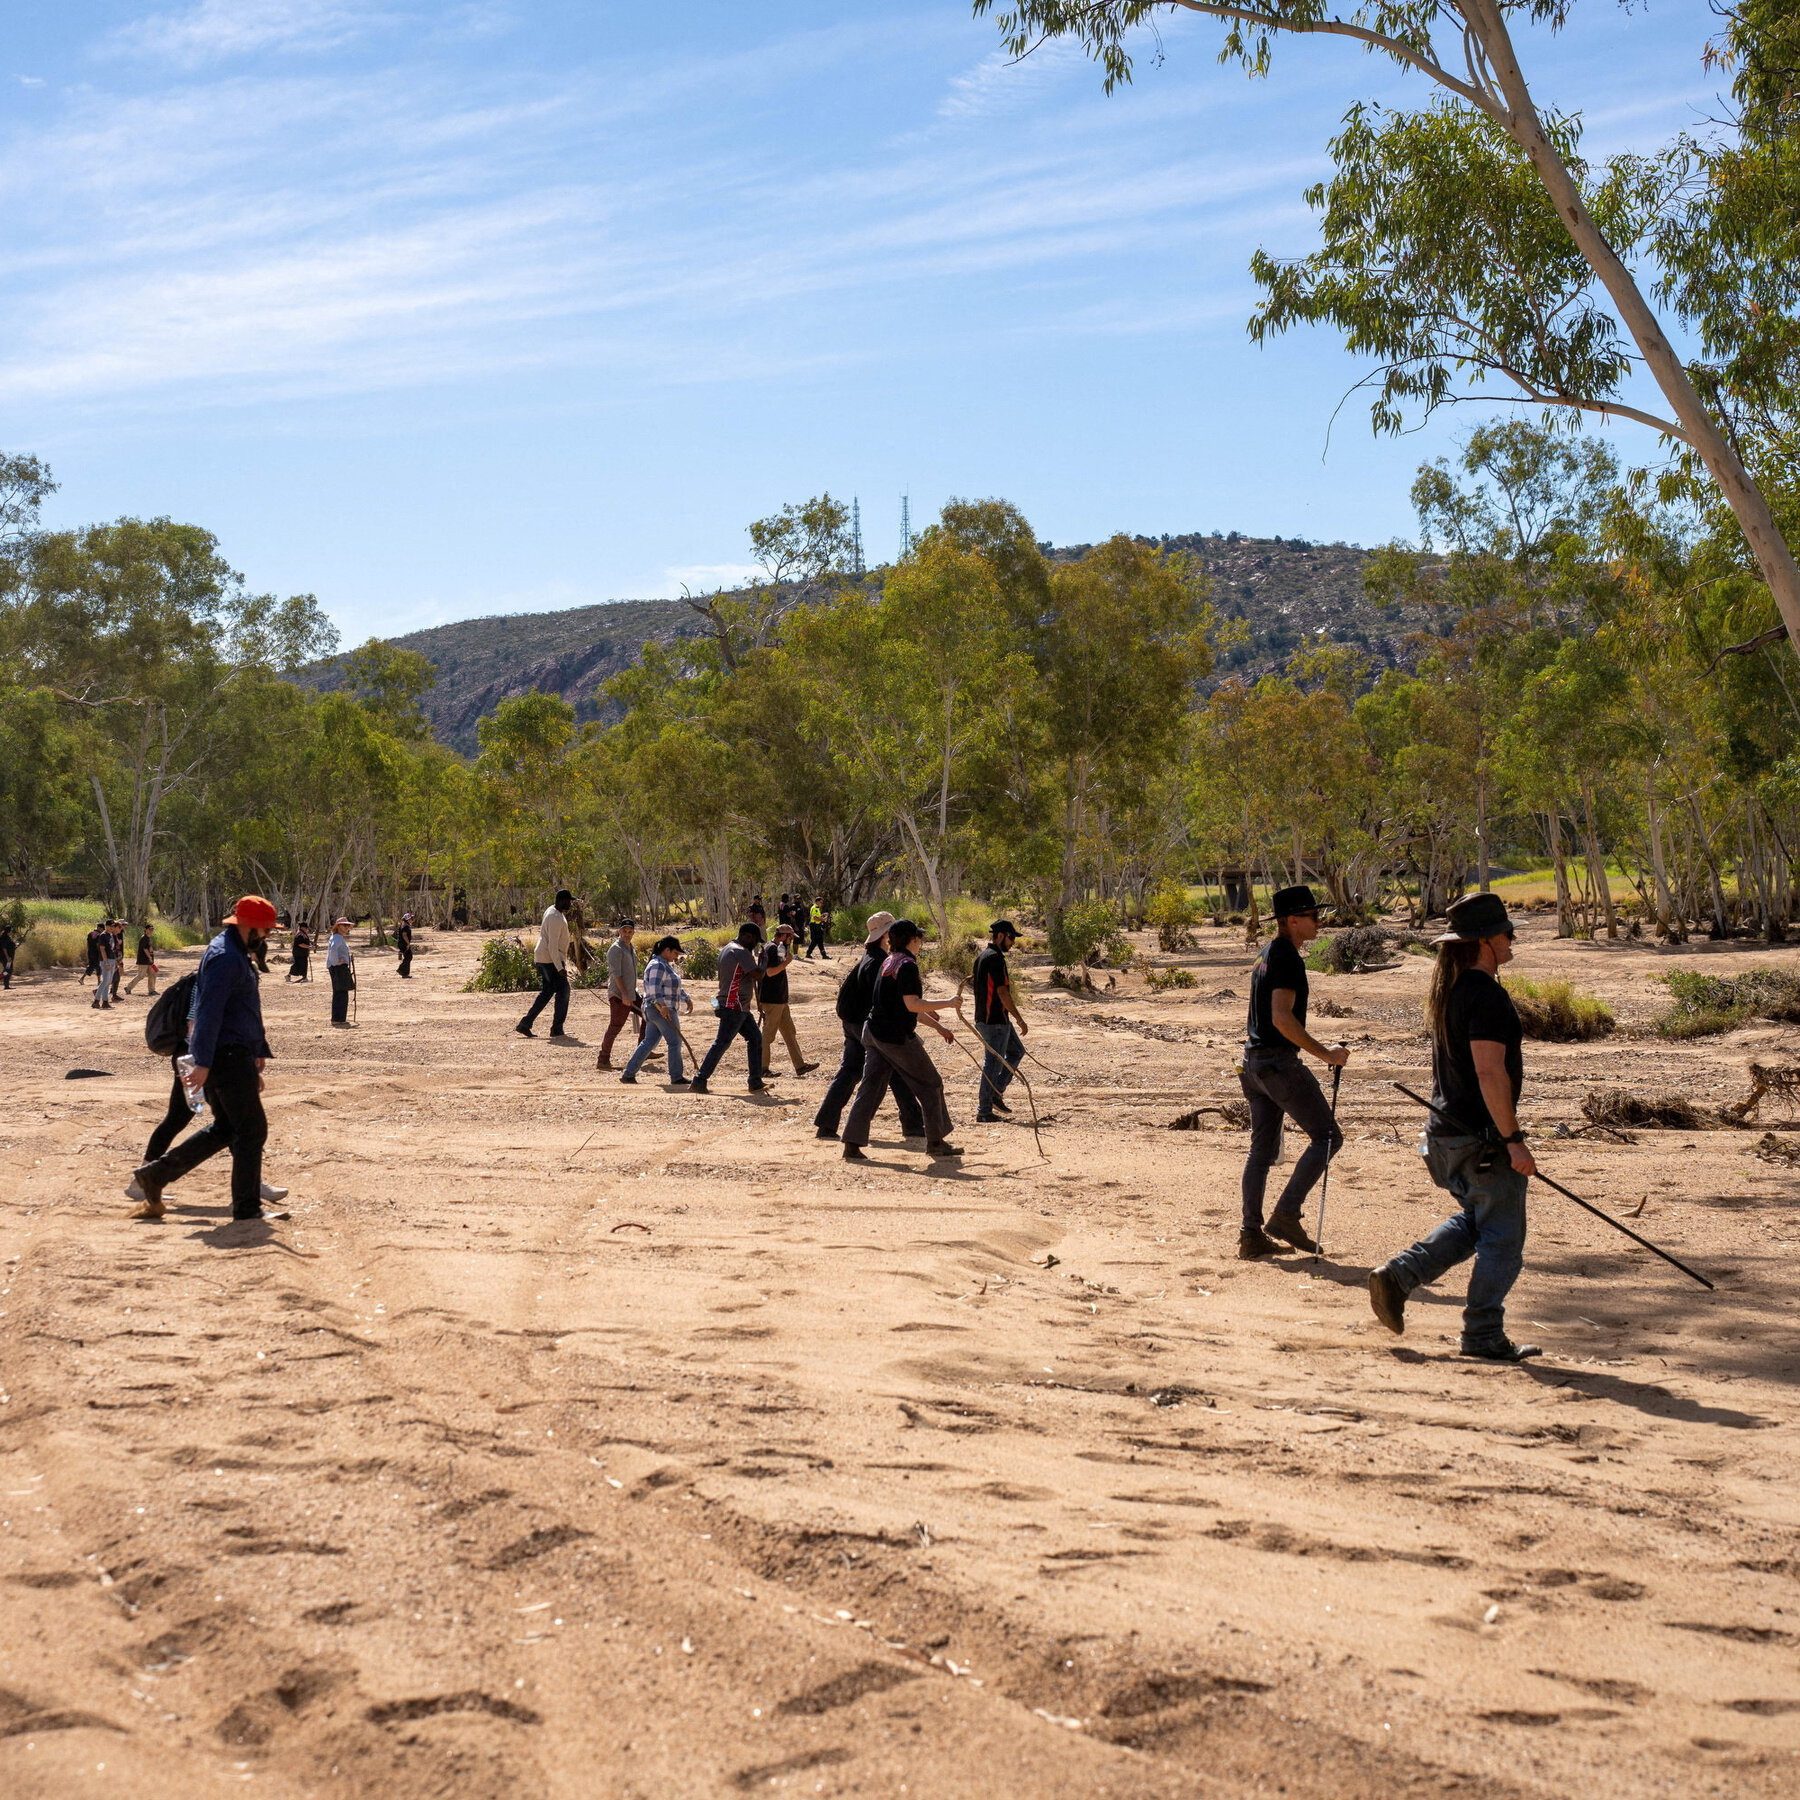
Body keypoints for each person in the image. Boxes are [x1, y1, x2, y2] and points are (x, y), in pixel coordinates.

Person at [1368, 892, 1541, 1364]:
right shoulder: (1485, 994)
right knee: (1503, 1240)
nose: (1512, 940)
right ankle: (1482, 1334)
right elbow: (1489, 1073)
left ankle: (1399, 1276)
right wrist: (1513, 1140)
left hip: (1446, 1135)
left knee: (1479, 1221)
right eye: (1507, 933)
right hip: (1480, 1140)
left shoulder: (1453, 991)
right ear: (1485, 941)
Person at [128, 895, 284, 1226]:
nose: (268, 936)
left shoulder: (234, 952)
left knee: (227, 1129)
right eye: (265, 930)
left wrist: (258, 1050)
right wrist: (201, 1062)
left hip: (232, 1054)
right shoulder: (225, 957)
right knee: (251, 1130)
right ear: (248, 926)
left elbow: (243, 1011)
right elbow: (208, 1013)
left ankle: (155, 1175)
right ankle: (247, 1208)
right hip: (225, 1057)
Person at [1235, 884, 1347, 1260]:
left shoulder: (1267, 953)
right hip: (1278, 1063)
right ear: (1292, 920)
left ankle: (1250, 1234)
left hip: (1253, 1063)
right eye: (1313, 916)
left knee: (1261, 1151)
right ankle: (1285, 1214)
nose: (1319, 921)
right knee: (1328, 1136)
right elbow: (1281, 1018)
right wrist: (1326, 1054)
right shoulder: (1287, 957)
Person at [841, 919, 961, 1163]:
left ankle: (852, 1144)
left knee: (869, 1088)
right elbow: (912, 1004)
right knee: (931, 1084)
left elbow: (902, 1006)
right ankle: (936, 1142)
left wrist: (938, 1027)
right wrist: (948, 1003)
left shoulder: (888, 961)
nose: (921, 943)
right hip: (894, 1037)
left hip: (873, 1033)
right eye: (919, 938)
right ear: (912, 940)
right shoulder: (907, 966)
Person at [814, 912, 926, 1142]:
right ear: (886, 935)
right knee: (891, 1072)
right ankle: (910, 1124)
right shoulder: (879, 962)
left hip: (852, 1022)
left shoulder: (871, 957)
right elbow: (890, 1001)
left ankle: (827, 1124)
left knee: (851, 1071)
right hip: (865, 1025)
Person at [690, 923, 766, 1094]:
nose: (755, 944)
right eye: (755, 940)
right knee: (721, 1043)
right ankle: (699, 1080)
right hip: (734, 1005)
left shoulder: (727, 948)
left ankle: (755, 1081)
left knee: (755, 1038)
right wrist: (764, 962)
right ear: (747, 936)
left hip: (735, 1005)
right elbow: (758, 975)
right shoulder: (741, 951)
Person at [971, 920, 1027, 1124]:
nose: (1013, 942)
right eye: (1011, 937)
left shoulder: (983, 956)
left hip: (995, 1019)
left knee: (1016, 1051)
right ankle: (984, 1111)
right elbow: (1002, 992)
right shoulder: (995, 958)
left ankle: (996, 1092)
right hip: (993, 1021)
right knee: (993, 1063)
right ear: (1001, 936)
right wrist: (1019, 1018)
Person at [621, 936, 691, 1085]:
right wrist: (662, 1007)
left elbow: (672, 986)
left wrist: (686, 998)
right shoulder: (658, 965)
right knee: (674, 1042)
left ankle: (628, 1074)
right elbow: (654, 989)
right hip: (660, 1009)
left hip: (656, 1010)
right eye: (675, 953)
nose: (676, 957)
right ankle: (676, 1076)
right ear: (667, 950)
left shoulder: (664, 964)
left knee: (649, 1042)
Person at [759, 922, 819, 1080]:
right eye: (790, 938)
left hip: (779, 1000)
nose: (791, 941)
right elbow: (770, 972)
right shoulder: (772, 949)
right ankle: (762, 1068)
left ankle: (800, 1066)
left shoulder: (775, 948)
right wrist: (787, 962)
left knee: (789, 1033)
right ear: (784, 936)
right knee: (768, 1035)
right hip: (772, 999)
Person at [517, 889, 574, 1039]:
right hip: (549, 959)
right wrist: (559, 967)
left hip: (545, 957)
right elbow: (552, 946)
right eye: (569, 901)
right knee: (563, 990)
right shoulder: (555, 917)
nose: (570, 904)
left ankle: (526, 1024)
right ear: (562, 901)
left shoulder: (553, 911)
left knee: (548, 992)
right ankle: (556, 1028)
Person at [598, 919, 644, 1070]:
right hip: (619, 995)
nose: (627, 934)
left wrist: (632, 992)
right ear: (619, 931)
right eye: (624, 931)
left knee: (649, 1015)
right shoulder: (616, 949)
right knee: (615, 1026)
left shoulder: (630, 948)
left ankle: (643, 1049)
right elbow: (616, 974)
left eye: (630, 931)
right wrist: (624, 994)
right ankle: (603, 1060)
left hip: (632, 993)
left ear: (633, 933)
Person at [326, 917, 355, 1025]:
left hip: (338, 967)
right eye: (344, 925)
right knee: (341, 992)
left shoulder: (337, 937)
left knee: (340, 992)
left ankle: (338, 1018)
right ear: (338, 926)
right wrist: (336, 962)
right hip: (338, 968)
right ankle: (338, 1019)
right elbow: (333, 950)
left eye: (348, 925)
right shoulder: (337, 937)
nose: (347, 927)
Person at [88, 919, 115, 1010]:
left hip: (112, 959)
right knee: (105, 981)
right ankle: (96, 1000)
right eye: (111, 926)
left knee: (108, 981)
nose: (112, 928)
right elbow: (102, 949)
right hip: (105, 960)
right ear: (106, 926)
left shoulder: (110, 935)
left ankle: (105, 1001)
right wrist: (106, 962)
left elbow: (112, 948)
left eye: (113, 926)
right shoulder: (103, 936)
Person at [123, 924, 158, 996]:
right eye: (150, 929)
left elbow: (149, 948)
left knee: (152, 974)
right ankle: (128, 988)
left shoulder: (148, 938)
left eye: (152, 929)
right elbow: (145, 949)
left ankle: (152, 990)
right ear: (146, 930)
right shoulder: (144, 938)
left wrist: (151, 958)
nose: (151, 930)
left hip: (148, 961)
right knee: (141, 975)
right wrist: (150, 957)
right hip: (143, 961)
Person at [395, 912, 415, 979]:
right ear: (407, 919)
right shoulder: (405, 926)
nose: (412, 920)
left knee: (408, 957)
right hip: (404, 944)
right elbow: (404, 935)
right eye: (411, 918)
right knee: (408, 957)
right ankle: (402, 971)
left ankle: (403, 972)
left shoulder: (403, 925)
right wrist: (408, 944)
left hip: (402, 943)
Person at [0, 920, 15, 989]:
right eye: (11, 930)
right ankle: (1, 978)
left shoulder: (6, 937)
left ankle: (6, 985)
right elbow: (4, 948)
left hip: (7, 958)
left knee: (8, 970)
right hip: (6, 958)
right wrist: (7, 957)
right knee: (8, 970)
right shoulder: (5, 937)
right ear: (9, 931)